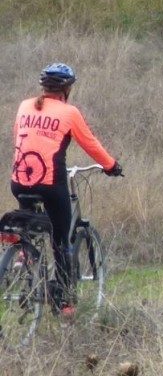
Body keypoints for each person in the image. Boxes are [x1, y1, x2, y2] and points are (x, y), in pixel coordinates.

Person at [10, 63, 122, 316]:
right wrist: (111, 165)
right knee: (60, 240)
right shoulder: (69, 112)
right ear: (67, 89)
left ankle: (23, 256)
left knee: (29, 225)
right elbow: (90, 143)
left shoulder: (24, 106)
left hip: (19, 180)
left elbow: (21, 137)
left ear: (43, 87)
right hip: (50, 183)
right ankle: (65, 303)